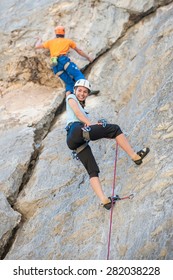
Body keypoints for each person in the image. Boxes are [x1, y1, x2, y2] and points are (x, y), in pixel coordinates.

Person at [66, 79, 150, 210]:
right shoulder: (70, 97)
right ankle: (135, 156)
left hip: (76, 141)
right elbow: (77, 114)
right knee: (115, 129)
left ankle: (105, 200)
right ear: (75, 90)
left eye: (85, 92)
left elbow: (82, 117)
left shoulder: (85, 111)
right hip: (76, 130)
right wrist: (92, 124)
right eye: (80, 90)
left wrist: (95, 125)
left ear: (88, 94)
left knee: (92, 170)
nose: (82, 93)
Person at [35, 25, 93, 96]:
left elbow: (37, 46)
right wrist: (88, 57)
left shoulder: (50, 42)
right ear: (64, 33)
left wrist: (39, 40)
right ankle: (86, 91)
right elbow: (79, 51)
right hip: (63, 60)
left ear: (56, 33)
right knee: (78, 75)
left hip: (55, 64)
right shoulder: (68, 41)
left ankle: (68, 100)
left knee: (69, 83)